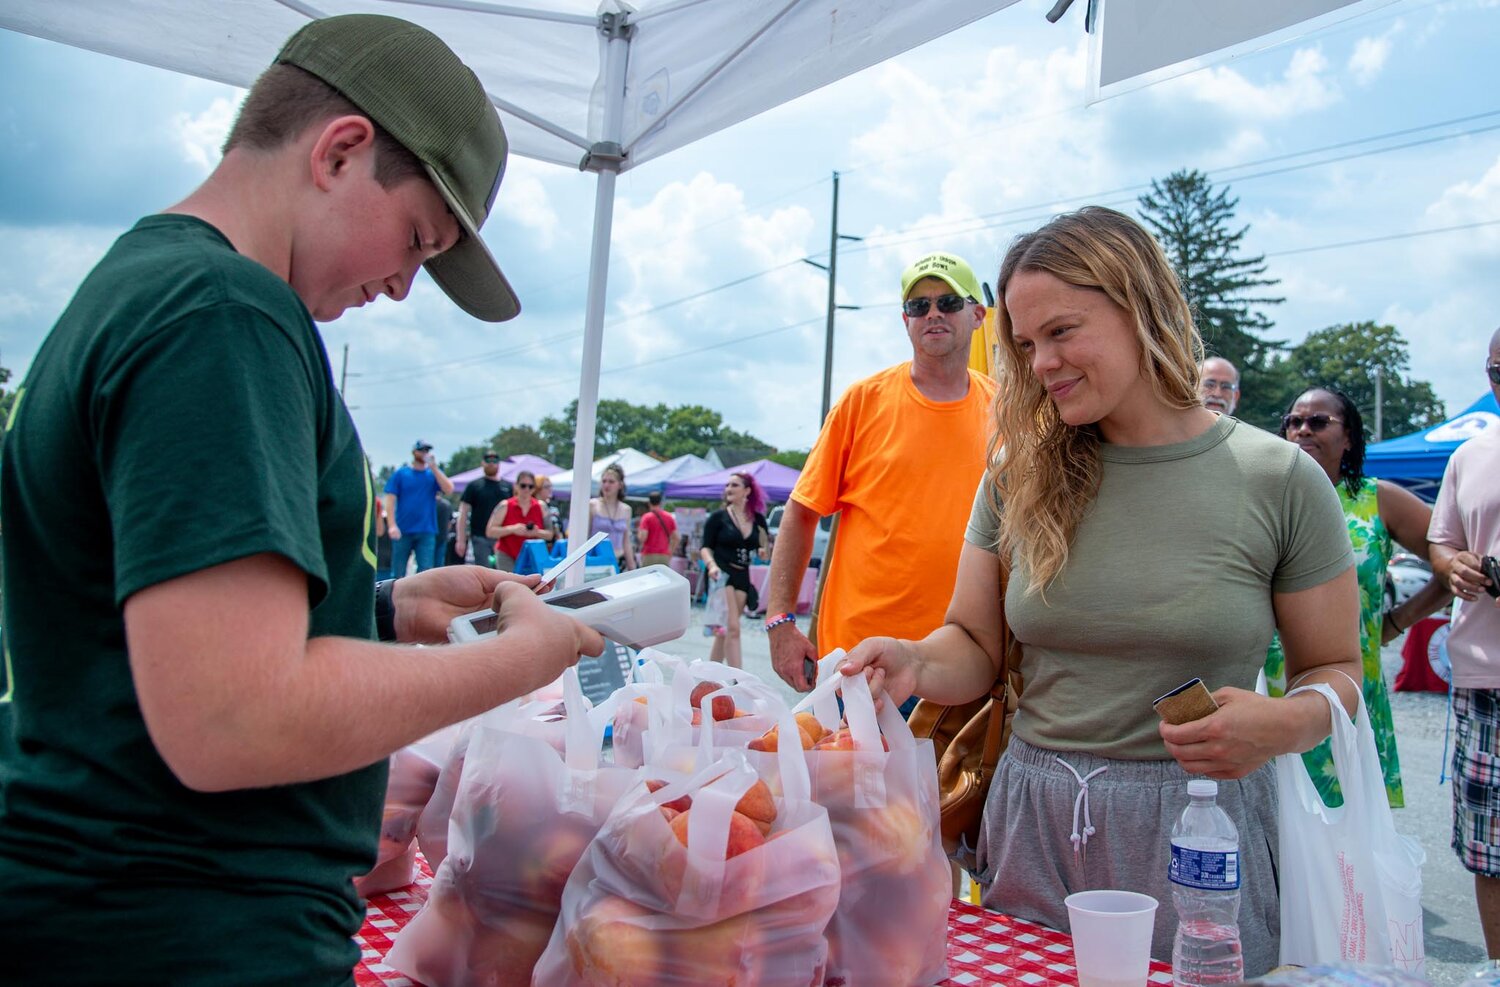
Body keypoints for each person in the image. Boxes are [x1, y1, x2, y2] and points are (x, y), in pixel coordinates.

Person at [0, 15, 604, 984]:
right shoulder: (225, 314)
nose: (403, 286)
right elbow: (232, 714)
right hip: (185, 929)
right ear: (340, 150)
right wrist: (518, 662)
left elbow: (147, 631)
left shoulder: (144, 285)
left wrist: (378, 607)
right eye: (416, 238)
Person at [839, 206, 1361, 975]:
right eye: (1023, 344)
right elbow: (976, 645)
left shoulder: (1278, 478)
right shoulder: (1018, 472)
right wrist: (913, 662)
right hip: (1031, 824)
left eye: (1063, 331)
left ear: (1140, 307)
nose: (1041, 362)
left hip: (1198, 834)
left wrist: (1285, 722)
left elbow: (1337, 669)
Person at [766, 251, 996, 693]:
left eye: (948, 302)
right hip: (859, 663)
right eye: (918, 305)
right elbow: (800, 512)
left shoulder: (1005, 411)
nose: (932, 313)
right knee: (845, 765)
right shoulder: (863, 401)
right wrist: (780, 621)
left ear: (977, 315)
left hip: (962, 668)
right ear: (905, 320)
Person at [1264, 387, 1452, 808]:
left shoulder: (1377, 499)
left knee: (1346, 846)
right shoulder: (1267, 499)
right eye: (1294, 422)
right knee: (1273, 831)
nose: (1302, 431)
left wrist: (1396, 622)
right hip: (1269, 687)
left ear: (1349, 437)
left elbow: (1447, 563)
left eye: (1318, 422)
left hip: (1345, 686)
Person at [1428, 325, 1500, 958]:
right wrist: (1454, 566)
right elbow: (1442, 540)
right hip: (1485, 677)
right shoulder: (1472, 455)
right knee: (1488, 849)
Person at [700, 471, 770, 669]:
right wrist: (711, 566)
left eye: (734, 485)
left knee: (725, 631)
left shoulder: (757, 519)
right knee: (733, 628)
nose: (728, 489)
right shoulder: (718, 518)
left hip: (742, 575)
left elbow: (765, 546)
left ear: (747, 491)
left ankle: (709, 677)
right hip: (721, 572)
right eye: (727, 485)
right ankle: (738, 681)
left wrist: (763, 551)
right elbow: (705, 547)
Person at [384, 439, 454, 577]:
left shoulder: (431, 475)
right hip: (403, 529)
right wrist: (392, 525)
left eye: (426, 451)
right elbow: (390, 499)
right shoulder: (401, 474)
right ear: (414, 452)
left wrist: (434, 467)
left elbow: (449, 489)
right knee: (398, 571)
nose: (424, 453)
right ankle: (395, 598)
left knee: (425, 571)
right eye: (421, 450)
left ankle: (419, 598)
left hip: (426, 530)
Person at [486, 469, 549, 572]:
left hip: (532, 556)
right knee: (511, 584)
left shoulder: (541, 506)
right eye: (523, 485)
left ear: (534, 489)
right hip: (507, 554)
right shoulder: (505, 505)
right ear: (516, 486)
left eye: (530, 486)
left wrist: (537, 532)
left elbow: (550, 534)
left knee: (532, 586)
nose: (527, 489)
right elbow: (490, 532)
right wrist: (512, 529)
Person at [457, 450, 511, 567]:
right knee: (484, 572)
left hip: (502, 538)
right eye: (488, 460)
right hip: (480, 537)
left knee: (503, 572)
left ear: (499, 463)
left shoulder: (507, 487)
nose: (491, 463)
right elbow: (463, 512)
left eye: (495, 460)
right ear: (482, 463)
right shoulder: (474, 486)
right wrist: (460, 540)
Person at [579, 462, 636, 571]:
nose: (606, 485)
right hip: (596, 561)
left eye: (611, 482)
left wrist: (632, 567)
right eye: (604, 481)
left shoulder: (626, 509)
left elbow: (626, 541)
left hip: (619, 561)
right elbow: (584, 537)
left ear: (620, 485)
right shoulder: (592, 505)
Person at [638, 490, 680, 567]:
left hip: (649, 555)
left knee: (647, 578)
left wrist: (639, 534)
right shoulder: (669, 517)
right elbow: (677, 538)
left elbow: (643, 537)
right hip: (664, 555)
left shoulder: (646, 517)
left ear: (649, 503)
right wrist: (670, 551)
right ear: (660, 502)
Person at [536, 474, 564, 543]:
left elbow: (560, 529)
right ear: (538, 489)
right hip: (540, 546)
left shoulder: (553, 508)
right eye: (546, 487)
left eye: (550, 486)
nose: (550, 489)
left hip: (556, 547)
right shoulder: (533, 507)